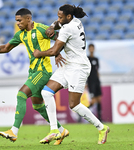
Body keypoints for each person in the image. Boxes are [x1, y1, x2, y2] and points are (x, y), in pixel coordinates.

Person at [0, 8, 69, 145]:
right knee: (37, 105)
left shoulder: (42, 29)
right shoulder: (21, 34)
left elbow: (60, 38)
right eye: (16, 21)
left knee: (21, 94)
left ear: (28, 19)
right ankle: (61, 130)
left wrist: (56, 52)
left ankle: (14, 131)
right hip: (33, 71)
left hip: (42, 71)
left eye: (19, 20)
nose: (17, 23)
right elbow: (6, 48)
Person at [33, 4, 110, 145]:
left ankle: (102, 127)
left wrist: (39, 54)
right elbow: (57, 26)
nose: (58, 19)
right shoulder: (76, 21)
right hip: (68, 64)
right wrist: (51, 26)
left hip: (79, 67)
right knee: (46, 93)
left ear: (68, 17)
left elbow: (54, 51)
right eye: (57, 16)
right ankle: (55, 130)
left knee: (74, 105)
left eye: (60, 17)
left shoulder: (68, 28)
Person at [87, 43, 102, 121]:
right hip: (90, 81)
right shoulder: (87, 59)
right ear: (89, 49)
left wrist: (99, 80)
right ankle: (82, 115)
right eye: (90, 48)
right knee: (93, 101)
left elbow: (97, 70)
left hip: (97, 81)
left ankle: (100, 118)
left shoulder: (96, 59)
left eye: (93, 48)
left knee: (99, 100)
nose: (92, 49)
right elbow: (85, 71)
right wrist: (86, 83)